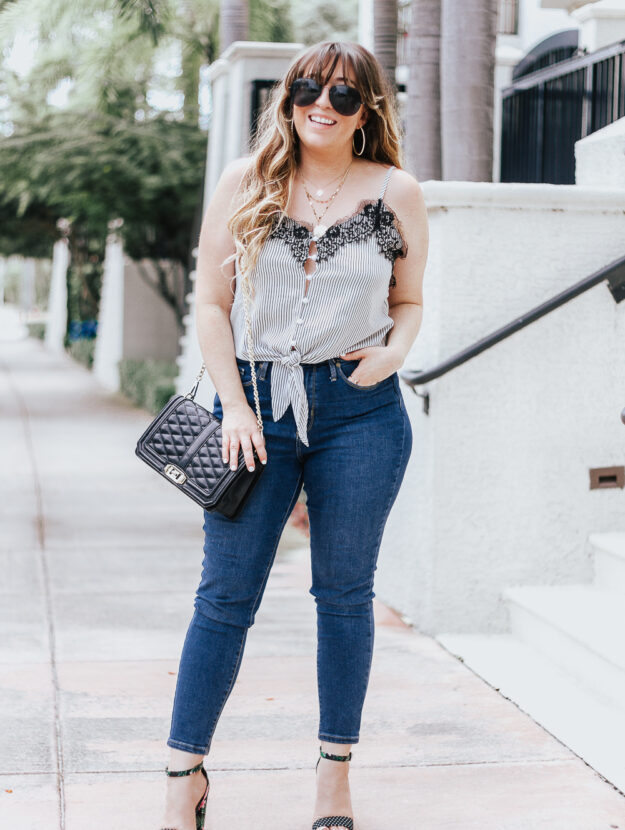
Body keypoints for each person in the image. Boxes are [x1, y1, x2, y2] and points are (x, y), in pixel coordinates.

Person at [159, 39, 428, 830]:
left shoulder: (394, 190)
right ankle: (183, 777)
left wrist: (393, 355)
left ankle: (332, 783)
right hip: (253, 408)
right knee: (224, 597)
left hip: (359, 411)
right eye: (308, 86)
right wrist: (236, 407)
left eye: (344, 95)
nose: (322, 102)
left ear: (367, 111)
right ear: (287, 95)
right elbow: (210, 302)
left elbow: (409, 300)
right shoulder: (245, 183)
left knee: (343, 598)